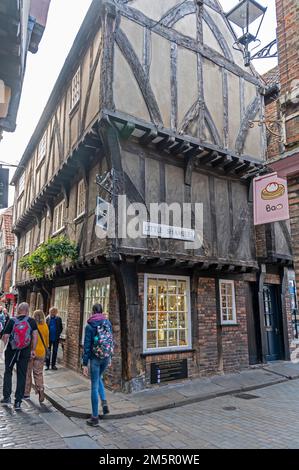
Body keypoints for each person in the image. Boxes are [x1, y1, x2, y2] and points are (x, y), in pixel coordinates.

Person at [0, 302, 38, 410]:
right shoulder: (31, 321)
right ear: (27, 310)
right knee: (22, 375)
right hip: (24, 352)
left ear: (19, 310)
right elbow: (35, 336)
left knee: (8, 372)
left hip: (12, 351)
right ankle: (18, 402)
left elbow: (5, 336)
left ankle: (7, 397)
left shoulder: (12, 321)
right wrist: (33, 350)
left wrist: (3, 348)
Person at [82, 303, 113, 427]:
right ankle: (104, 402)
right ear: (102, 311)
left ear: (93, 312)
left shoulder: (89, 326)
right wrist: (110, 357)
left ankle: (94, 417)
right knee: (99, 378)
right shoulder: (107, 323)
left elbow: (87, 346)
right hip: (105, 357)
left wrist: (84, 363)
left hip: (95, 359)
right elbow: (111, 340)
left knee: (94, 385)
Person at [24, 310, 49, 403]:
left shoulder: (31, 325)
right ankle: (41, 389)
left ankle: (26, 393)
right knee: (38, 373)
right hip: (41, 352)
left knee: (28, 373)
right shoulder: (45, 326)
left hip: (31, 351)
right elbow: (47, 341)